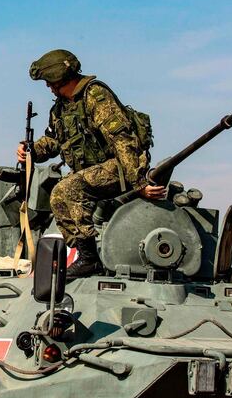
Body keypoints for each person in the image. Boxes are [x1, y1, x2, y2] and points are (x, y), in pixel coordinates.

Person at [16, 49, 166, 279]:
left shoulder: (95, 96)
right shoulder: (61, 109)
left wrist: (139, 183)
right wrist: (31, 151)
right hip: (93, 173)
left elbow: (123, 141)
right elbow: (54, 141)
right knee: (61, 194)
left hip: (120, 167)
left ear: (61, 78)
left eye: (50, 81)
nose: (49, 87)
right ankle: (86, 252)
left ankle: (89, 260)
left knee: (65, 190)